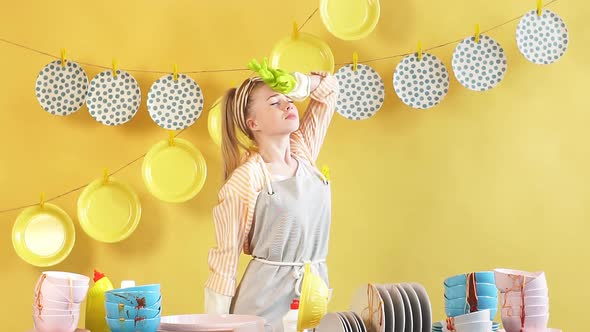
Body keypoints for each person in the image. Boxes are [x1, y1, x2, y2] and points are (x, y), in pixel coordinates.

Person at [204, 58, 339, 332]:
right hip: (263, 306)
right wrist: (216, 326)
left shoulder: (304, 153)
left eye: (289, 99)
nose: (289, 105)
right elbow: (224, 262)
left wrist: (298, 82)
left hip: (312, 295)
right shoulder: (246, 179)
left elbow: (329, 89)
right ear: (253, 123)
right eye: (275, 102)